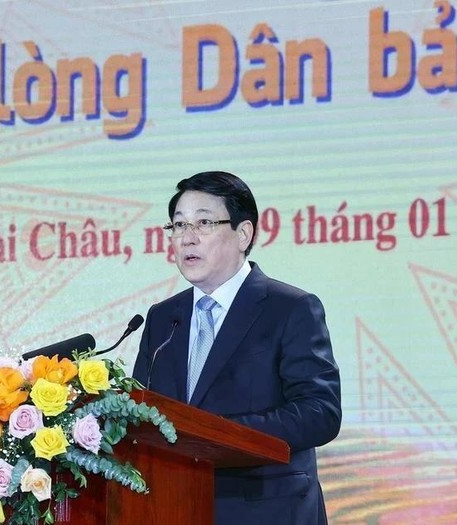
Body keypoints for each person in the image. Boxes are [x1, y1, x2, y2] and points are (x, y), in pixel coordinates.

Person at [133, 171, 341, 524]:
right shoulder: (162, 318)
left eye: (203, 223)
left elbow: (320, 413)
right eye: (178, 226)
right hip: (175, 507)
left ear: (243, 234)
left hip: (268, 509)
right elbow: (140, 412)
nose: (187, 238)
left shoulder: (290, 308)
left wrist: (217, 433)